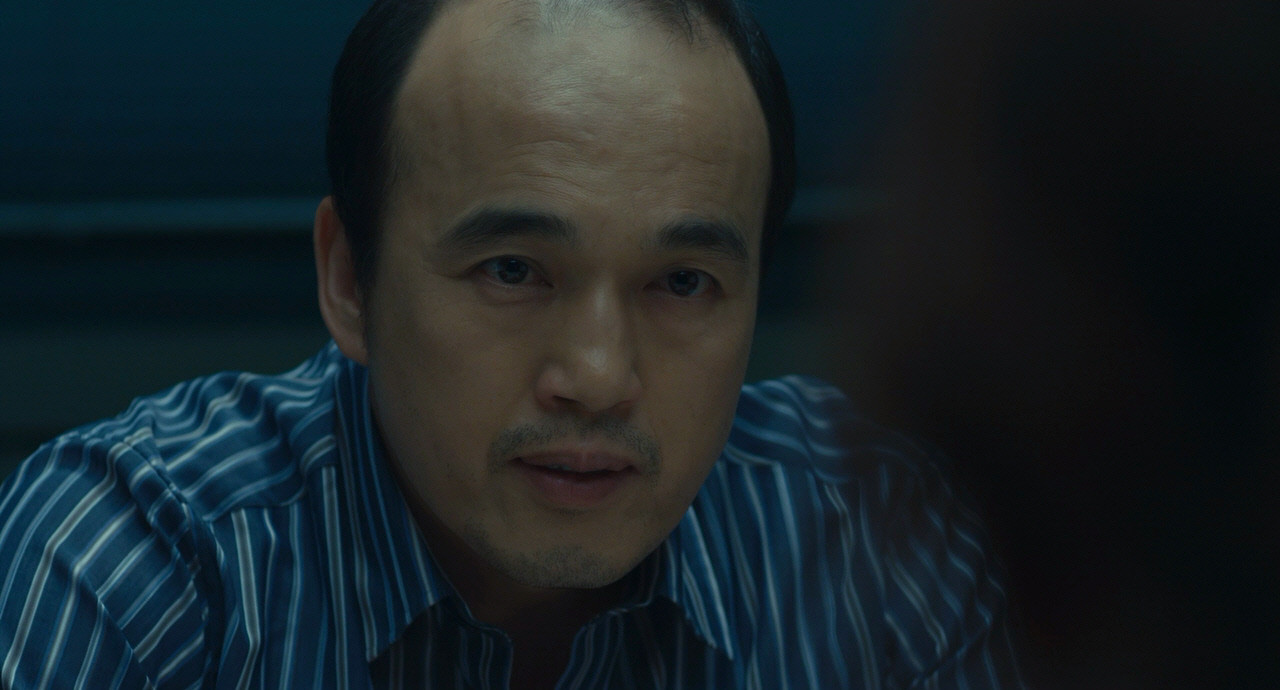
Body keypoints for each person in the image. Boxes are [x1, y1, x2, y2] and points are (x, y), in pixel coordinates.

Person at [0, 0, 1023, 687]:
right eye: (512, 271)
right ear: (349, 279)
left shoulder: (881, 551)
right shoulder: (141, 563)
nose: (598, 377)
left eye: (682, 282)